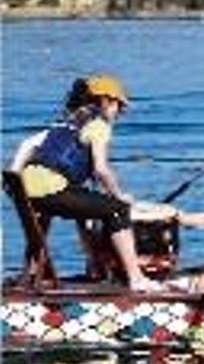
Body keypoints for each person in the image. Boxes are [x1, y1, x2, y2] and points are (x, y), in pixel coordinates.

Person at [15, 75, 163, 292]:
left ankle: (31, 275)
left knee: (87, 205)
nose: (120, 113)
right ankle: (136, 278)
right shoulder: (99, 126)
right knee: (117, 211)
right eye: (118, 106)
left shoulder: (66, 120)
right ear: (105, 101)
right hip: (50, 189)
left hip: (28, 189)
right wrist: (119, 195)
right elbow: (102, 170)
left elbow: (30, 146)